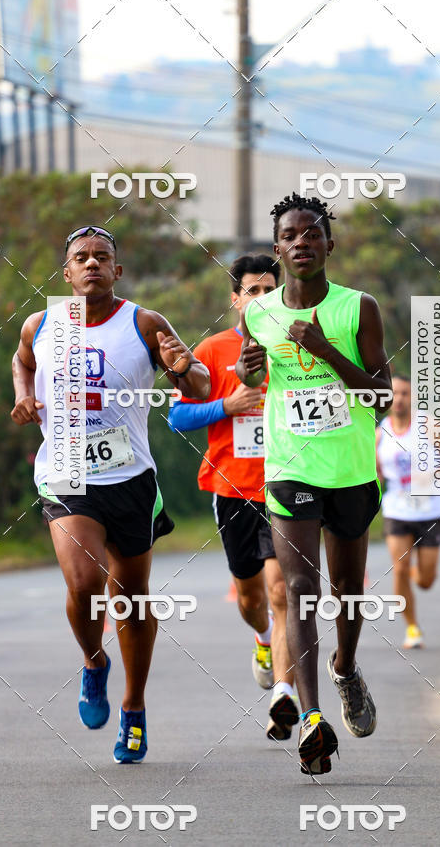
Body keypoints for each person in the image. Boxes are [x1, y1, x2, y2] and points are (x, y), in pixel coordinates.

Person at [11, 225, 210, 763]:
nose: (92, 263)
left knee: (132, 598)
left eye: (102, 256)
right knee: (85, 583)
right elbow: (23, 359)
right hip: (67, 473)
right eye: (81, 257)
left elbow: (199, 386)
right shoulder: (42, 324)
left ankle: (134, 706)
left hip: (130, 479)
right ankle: (94, 661)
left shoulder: (144, 323)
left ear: (117, 271)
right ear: (67, 272)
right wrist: (24, 395)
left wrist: (181, 367)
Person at [236, 193, 393, 776]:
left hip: (349, 469)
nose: (301, 241)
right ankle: (312, 720)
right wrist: (248, 369)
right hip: (289, 467)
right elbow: (251, 367)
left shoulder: (358, 308)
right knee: (301, 586)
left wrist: (325, 350)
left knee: (347, 590)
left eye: (312, 233)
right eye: (290, 235)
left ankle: (345, 669)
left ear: (331, 244)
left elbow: (381, 397)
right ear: (277, 250)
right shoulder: (258, 313)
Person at [167, 254, 299, 741]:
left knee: (282, 592)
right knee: (251, 597)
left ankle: (283, 695)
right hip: (233, 490)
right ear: (235, 299)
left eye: (270, 290)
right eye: (252, 291)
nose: (261, 299)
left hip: (288, 485)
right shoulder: (212, 349)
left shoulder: (296, 345)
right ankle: (262, 638)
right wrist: (228, 404)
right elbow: (177, 418)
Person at [376, 373, 440, 649]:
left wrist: (431, 477)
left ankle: (418, 573)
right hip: (397, 511)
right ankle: (412, 628)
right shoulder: (380, 434)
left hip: (430, 511)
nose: (399, 399)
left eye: (405, 393)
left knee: (425, 580)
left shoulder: (430, 426)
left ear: (413, 397)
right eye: (394, 393)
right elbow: (375, 471)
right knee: (399, 569)